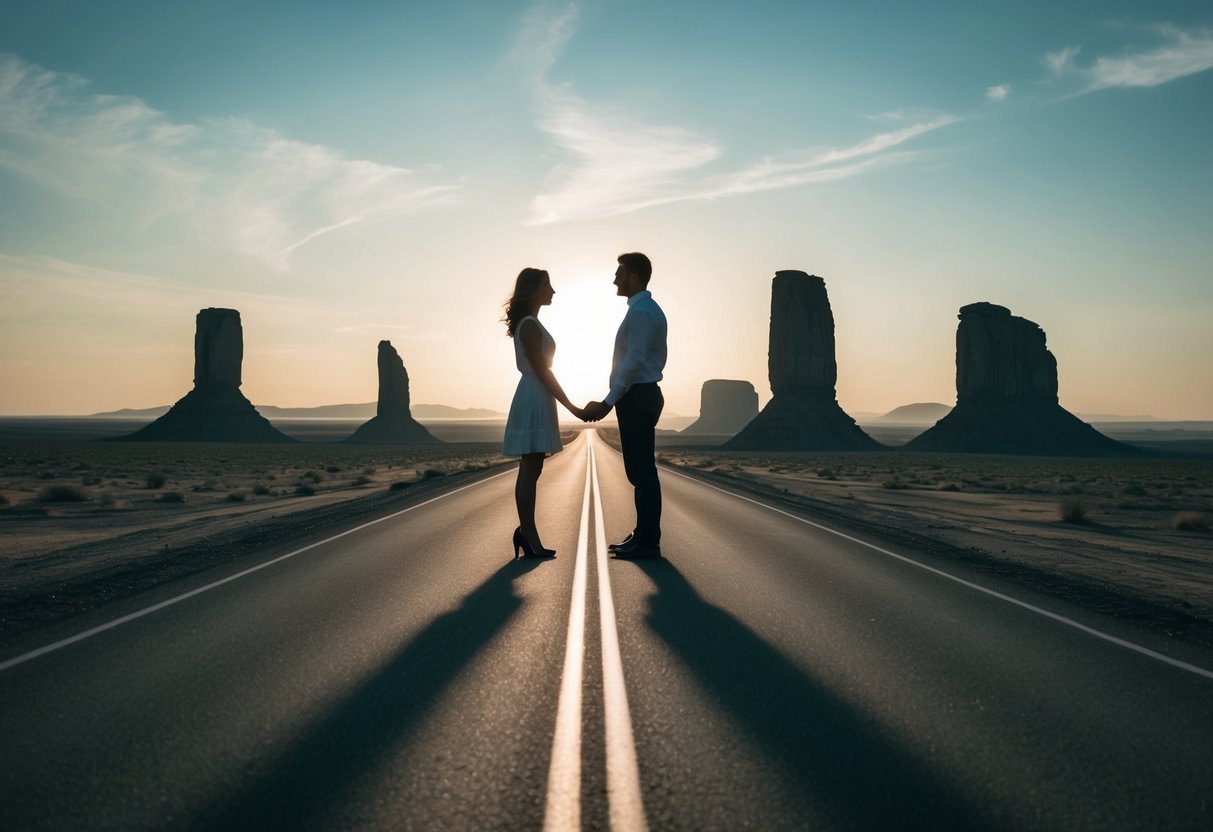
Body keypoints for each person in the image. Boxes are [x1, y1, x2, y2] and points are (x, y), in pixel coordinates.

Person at [583, 252, 668, 559]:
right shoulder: (641, 309)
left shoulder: (643, 312)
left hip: (638, 396)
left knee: (642, 471)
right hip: (637, 396)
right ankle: (643, 534)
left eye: (619, 273)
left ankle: (648, 541)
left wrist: (608, 402)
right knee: (639, 470)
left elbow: (634, 362)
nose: (614, 278)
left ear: (634, 277)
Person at [502, 267, 585, 558]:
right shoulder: (528, 325)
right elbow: (543, 372)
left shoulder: (532, 323)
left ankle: (527, 532)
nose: (553, 290)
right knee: (530, 467)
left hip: (538, 395)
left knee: (532, 468)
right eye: (548, 285)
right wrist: (572, 406)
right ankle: (528, 533)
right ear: (535, 289)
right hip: (535, 396)